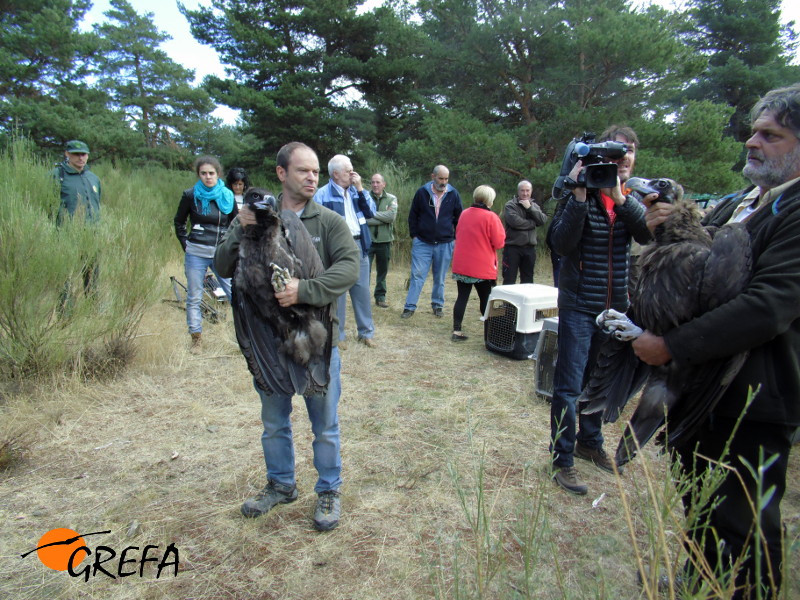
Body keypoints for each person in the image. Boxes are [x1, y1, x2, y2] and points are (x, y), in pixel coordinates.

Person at [633, 84, 800, 599]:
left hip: (754, 397)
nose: (752, 142)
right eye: (753, 131)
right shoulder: (745, 201)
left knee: (744, 522)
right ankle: (700, 582)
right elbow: (701, 270)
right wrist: (667, 225)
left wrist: (671, 346)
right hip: (709, 387)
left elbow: (768, 306)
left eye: (770, 135)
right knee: (701, 502)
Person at [214, 142, 360, 531]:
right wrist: (239, 229)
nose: (312, 177)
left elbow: (349, 268)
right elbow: (222, 265)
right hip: (265, 341)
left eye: (315, 171)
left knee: (324, 423)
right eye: (303, 171)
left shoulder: (327, 221)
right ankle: (280, 484)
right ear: (282, 174)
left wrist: (305, 291)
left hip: (315, 341)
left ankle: (328, 489)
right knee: (274, 422)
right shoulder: (254, 213)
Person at [548, 125, 651, 495]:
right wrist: (578, 195)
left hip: (614, 308)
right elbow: (560, 243)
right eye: (615, 152)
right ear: (601, 157)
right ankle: (562, 460)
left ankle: (589, 442)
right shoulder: (582, 191)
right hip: (578, 305)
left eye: (629, 152)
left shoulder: (631, 198)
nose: (622, 159)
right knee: (569, 385)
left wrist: (621, 199)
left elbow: (646, 235)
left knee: (599, 382)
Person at [174, 156, 238, 350]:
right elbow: (179, 222)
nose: (208, 177)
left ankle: (244, 336)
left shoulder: (227, 196)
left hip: (221, 253)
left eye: (211, 173)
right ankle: (196, 340)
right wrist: (186, 244)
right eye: (204, 173)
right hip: (196, 253)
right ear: (198, 175)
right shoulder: (190, 195)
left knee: (235, 295)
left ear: (218, 174)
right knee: (194, 296)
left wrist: (232, 248)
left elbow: (236, 223)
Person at [313, 155, 377, 348]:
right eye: (348, 170)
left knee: (362, 291)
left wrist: (361, 189)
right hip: (336, 248)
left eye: (352, 169)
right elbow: (316, 224)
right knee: (337, 293)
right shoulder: (322, 194)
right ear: (335, 174)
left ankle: (365, 333)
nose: (352, 173)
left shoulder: (357, 192)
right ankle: (337, 335)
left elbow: (371, 212)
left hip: (359, 245)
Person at [402, 165, 463, 319]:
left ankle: (438, 306)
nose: (444, 182)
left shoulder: (453, 194)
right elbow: (413, 216)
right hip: (422, 242)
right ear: (433, 176)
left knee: (440, 277)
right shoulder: (422, 193)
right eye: (441, 178)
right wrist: (414, 236)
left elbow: (459, 219)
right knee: (417, 275)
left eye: (446, 178)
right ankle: (409, 307)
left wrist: (455, 239)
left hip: (445, 243)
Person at [450, 185, 505, 341]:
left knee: (462, 297)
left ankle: (456, 330)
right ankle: (491, 333)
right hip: (481, 266)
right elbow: (499, 242)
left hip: (462, 264)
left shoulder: (464, 214)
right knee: (485, 299)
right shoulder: (491, 217)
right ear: (489, 200)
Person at [53, 140, 102, 296]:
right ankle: (65, 312)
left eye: (83, 154)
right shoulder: (57, 176)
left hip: (91, 233)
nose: (80, 158)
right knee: (65, 274)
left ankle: (93, 308)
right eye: (76, 154)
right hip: (66, 234)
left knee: (92, 271)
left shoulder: (93, 178)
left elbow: (97, 202)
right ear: (67, 154)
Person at [501, 180, 547, 285]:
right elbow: (516, 223)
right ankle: (507, 302)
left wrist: (530, 208)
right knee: (509, 279)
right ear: (518, 191)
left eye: (527, 191)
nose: (525, 193)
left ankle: (524, 302)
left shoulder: (534, 206)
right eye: (522, 191)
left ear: (531, 191)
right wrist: (533, 223)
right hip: (513, 247)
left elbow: (543, 220)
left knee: (528, 280)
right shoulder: (510, 205)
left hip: (529, 248)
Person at [367, 173, 398, 308]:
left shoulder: (391, 198)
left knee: (382, 271)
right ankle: (363, 298)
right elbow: (362, 219)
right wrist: (382, 219)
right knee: (364, 272)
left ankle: (380, 297)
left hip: (384, 242)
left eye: (378, 182)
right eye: (373, 182)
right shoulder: (365, 197)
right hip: (367, 241)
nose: (375, 185)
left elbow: (391, 217)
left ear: (383, 184)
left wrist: (372, 213)